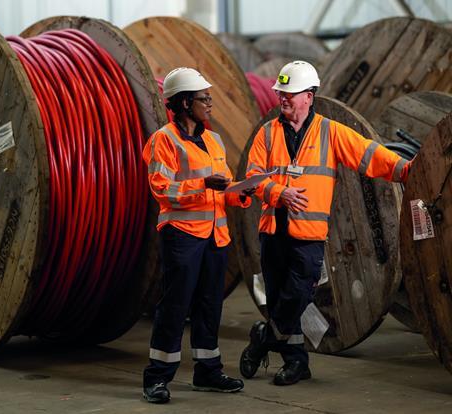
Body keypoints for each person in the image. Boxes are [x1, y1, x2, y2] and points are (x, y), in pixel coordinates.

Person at [240, 61, 412, 386]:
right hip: (272, 232)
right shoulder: (266, 134)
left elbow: (369, 154)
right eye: (281, 93)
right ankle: (295, 362)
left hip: (308, 235)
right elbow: (252, 180)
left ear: (309, 95)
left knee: (299, 295)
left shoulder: (330, 132)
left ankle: (265, 336)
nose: (283, 99)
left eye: (290, 94)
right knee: (278, 298)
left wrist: (404, 169)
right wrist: (279, 193)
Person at [142, 67, 254, 403]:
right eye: (204, 99)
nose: (210, 104)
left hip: (215, 237)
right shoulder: (164, 140)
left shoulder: (214, 140)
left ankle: (208, 371)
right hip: (183, 235)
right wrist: (202, 185)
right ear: (185, 103)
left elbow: (223, 186)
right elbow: (162, 189)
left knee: (209, 306)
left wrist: (242, 192)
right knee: (176, 305)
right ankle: (157, 378)